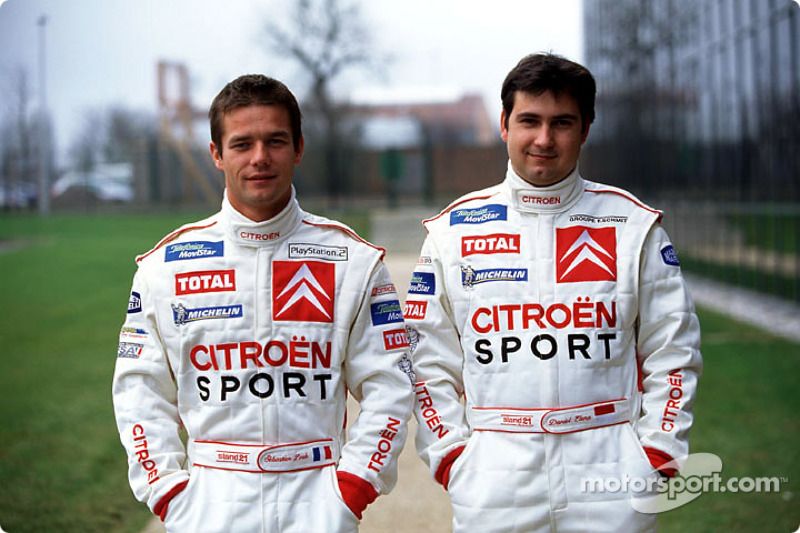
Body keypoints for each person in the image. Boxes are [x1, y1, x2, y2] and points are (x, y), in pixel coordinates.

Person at [407, 53, 702, 532]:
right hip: (494, 482)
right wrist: (453, 457)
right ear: (504, 124)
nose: (544, 140)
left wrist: (655, 454)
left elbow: (675, 349)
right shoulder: (452, 232)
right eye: (529, 121)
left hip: (611, 478)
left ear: (585, 129)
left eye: (562, 123)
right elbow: (424, 359)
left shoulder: (633, 226)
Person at [112, 74, 415, 532]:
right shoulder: (164, 268)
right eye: (242, 144)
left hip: (318, 505)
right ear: (216, 154)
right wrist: (169, 493)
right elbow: (139, 392)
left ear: (298, 148)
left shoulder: (354, 261)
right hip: (207, 510)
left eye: (275, 141)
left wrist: (352, 488)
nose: (259, 158)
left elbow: (391, 385)